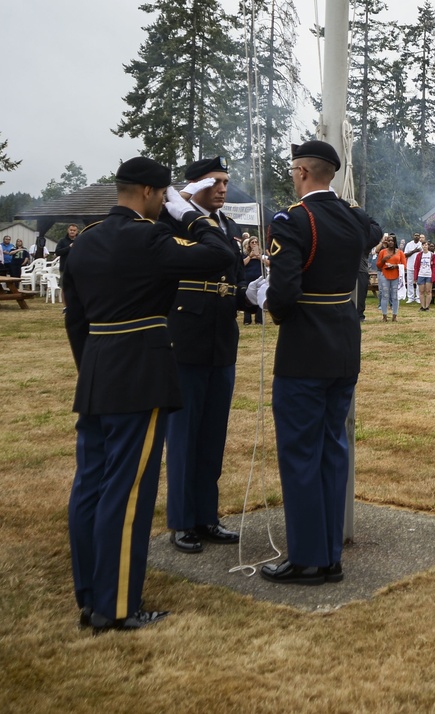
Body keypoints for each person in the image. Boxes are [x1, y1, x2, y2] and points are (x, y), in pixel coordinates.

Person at [64, 156, 234, 631]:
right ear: (147, 193)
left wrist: (92, 368)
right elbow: (221, 253)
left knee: (90, 486)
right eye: (164, 197)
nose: (165, 203)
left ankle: (89, 591)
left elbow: (75, 320)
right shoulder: (151, 237)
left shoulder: (87, 241)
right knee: (127, 491)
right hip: (139, 370)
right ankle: (114, 606)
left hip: (98, 369)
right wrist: (193, 215)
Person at [259, 140, 381, 585]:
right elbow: (375, 228)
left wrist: (277, 313)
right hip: (344, 343)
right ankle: (328, 554)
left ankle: (310, 557)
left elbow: (285, 292)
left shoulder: (293, 221)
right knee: (333, 450)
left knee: (300, 454)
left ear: (303, 173)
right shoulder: (351, 218)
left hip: (305, 349)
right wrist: (346, 203)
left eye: (294, 170)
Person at [163, 156, 247, 555]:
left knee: (213, 434)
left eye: (226, 182)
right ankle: (181, 521)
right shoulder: (173, 220)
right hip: (186, 337)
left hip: (220, 338)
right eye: (215, 181)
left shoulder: (227, 225)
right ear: (194, 185)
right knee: (184, 435)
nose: (223, 188)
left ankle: (206, 516)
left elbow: (232, 278)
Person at [376, 234, 404, 321]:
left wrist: (395, 266)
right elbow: (378, 265)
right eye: (389, 240)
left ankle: (394, 316)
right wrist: (384, 260)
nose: (390, 242)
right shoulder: (382, 252)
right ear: (386, 242)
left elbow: (404, 265)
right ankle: (384, 316)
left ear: (395, 242)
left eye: (392, 240)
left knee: (395, 296)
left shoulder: (400, 252)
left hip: (396, 275)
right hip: (385, 275)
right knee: (385, 295)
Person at [241, 236, 267, 325]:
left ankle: (259, 320)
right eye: (252, 242)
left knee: (260, 297)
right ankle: (247, 320)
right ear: (249, 244)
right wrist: (250, 256)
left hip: (259, 278)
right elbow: (242, 264)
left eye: (256, 242)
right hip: (248, 278)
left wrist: (259, 257)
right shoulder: (245, 254)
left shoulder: (262, 254)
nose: (254, 244)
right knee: (247, 298)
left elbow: (267, 263)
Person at [413, 241, 435, 311]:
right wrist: (415, 277)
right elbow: (416, 266)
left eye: (426, 245)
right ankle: (422, 306)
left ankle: (427, 306)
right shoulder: (419, 255)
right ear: (422, 246)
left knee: (428, 291)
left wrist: (434, 274)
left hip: (429, 275)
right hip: (421, 274)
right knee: (421, 291)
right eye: (423, 245)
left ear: (428, 246)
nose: (424, 246)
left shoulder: (432, 255)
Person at [403, 232, 422, 303]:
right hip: (410, 266)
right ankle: (410, 297)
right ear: (413, 236)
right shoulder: (409, 244)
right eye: (415, 235)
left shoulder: (421, 244)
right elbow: (405, 255)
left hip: (419, 266)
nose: (416, 237)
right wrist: (414, 251)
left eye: (418, 236)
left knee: (418, 282)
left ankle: (418, 297)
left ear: (419, 237)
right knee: (409, 282)